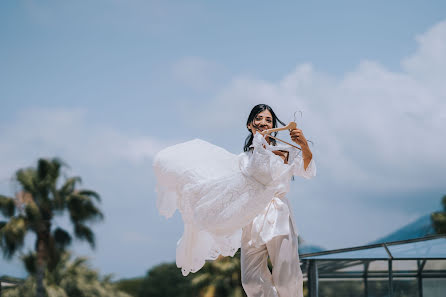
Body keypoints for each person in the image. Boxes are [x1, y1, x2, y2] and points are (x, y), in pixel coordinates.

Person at [153, 104, 315, 297]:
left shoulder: (284, 152)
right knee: (250, 280)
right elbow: (250, 175)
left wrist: (304, 145)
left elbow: (307, 171)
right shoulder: (243, 159)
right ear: (250, 125)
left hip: (278, 215)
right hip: (251, 216)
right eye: (259, 118)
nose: (264, 122)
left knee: (287, 276)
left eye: (268, 119)